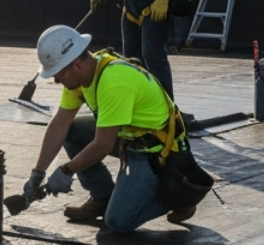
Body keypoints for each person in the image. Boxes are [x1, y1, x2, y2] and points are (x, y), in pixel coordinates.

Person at [15, 24, 196, 231]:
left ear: (76, 64)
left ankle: (180, 196)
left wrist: (67, 170)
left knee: (119, 221)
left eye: (58, 73)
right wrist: (37, 173)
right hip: (128, 136)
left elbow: (102, 144)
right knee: (72, 130)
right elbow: (59, 125)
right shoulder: (80, 79)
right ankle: (102, 197)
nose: (56, 80)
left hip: (154, 149)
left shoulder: (113, 81)